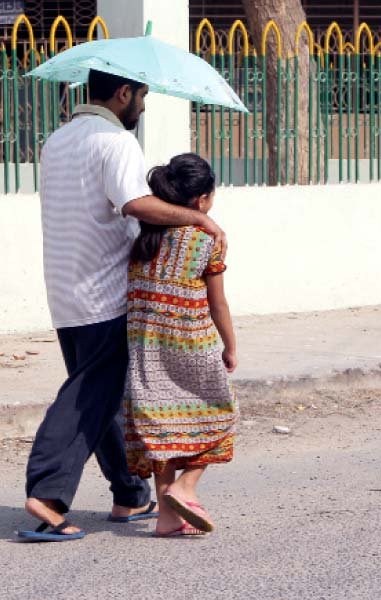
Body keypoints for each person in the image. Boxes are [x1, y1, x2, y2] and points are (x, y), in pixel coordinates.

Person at [19, 70, 227, 542]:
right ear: (124, 93)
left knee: (108, 395)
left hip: (64, 288)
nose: (144, 106)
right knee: (88, 394)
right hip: (104, 292)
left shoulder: (59, 140)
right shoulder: (114, 142)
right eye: (144, 95)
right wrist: (198, 218)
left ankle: (129, 495)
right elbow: (136, 205)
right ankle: (47, 495)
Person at [122, 153, 238, 538]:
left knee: (161, 433)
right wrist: (230, 346)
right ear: (202, 200)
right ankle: (184, 488)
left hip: (145, 351)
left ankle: (168, 518)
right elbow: (217, 302)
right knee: (223, 415)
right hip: (192, 344)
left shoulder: (143, 239)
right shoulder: (207, 239)